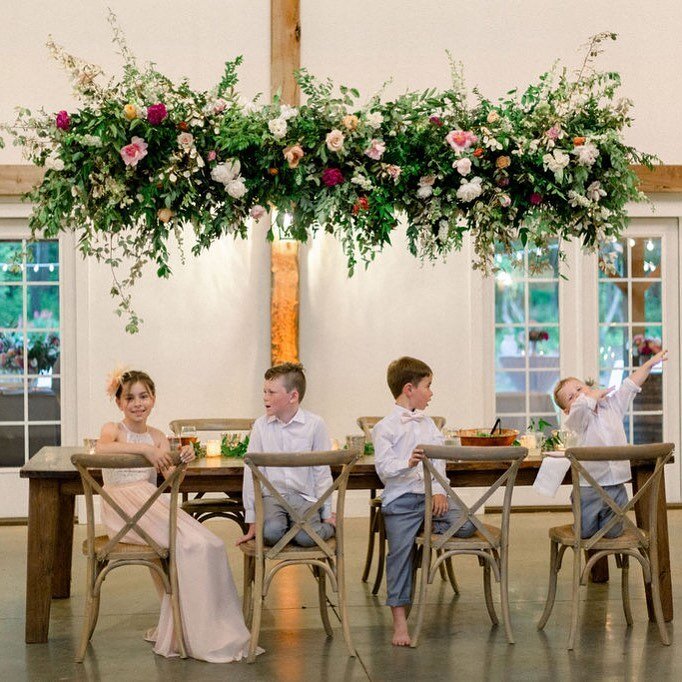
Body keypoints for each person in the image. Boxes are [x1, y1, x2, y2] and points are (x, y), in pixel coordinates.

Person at [96, 368, 256, 662]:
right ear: (119, 403)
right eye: (129, 398)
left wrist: (181, 465)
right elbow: (101, 448)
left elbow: (171, 482)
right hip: (123, 509)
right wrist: (145, 451)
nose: (137, 403)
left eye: (144, 396)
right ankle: (182, 628)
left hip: (151, 503)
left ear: (153, 398)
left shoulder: (158, 436)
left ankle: (203, 627)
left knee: (212, 544)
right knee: (190, 545)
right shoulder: (113, 429)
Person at [372, 356, 476, 647]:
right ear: (409, 389)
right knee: (398, 556)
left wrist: (441, 490)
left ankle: (427, 535)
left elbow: (439, 462)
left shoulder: (429, 423)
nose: (431, 393)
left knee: (467, 525)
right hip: (402, 500)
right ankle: (400, 622)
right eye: (428, 386)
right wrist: (407, 463)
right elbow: (384, 469)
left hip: (430, 497)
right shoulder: (385, 427)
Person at [553, 349, 668, 538]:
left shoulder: (612, 406)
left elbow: (630, 384)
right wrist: (591, 396)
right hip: (589, 488)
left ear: (589, 387)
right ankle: (581, 516)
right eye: (571, 397)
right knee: (585, 533)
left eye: (580, 389)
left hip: (616, 485)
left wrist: (649, 364)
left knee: (613, 533)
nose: (578, 396)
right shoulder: (576, 419)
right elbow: (582, 407)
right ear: (567, 410)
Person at [236, 362, 335, 548]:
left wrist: (327, 514)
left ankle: (322, 528)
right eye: (264, 391)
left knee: (307, 538)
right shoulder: (260, 426)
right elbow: (251, 473)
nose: (265, 397)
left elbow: (322, 472)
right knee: (270, 534)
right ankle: (292, 526)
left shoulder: (315, 425)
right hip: (272, 497)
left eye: (271, 392)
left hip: (306, 498)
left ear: (293, 396)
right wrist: (252, 520)